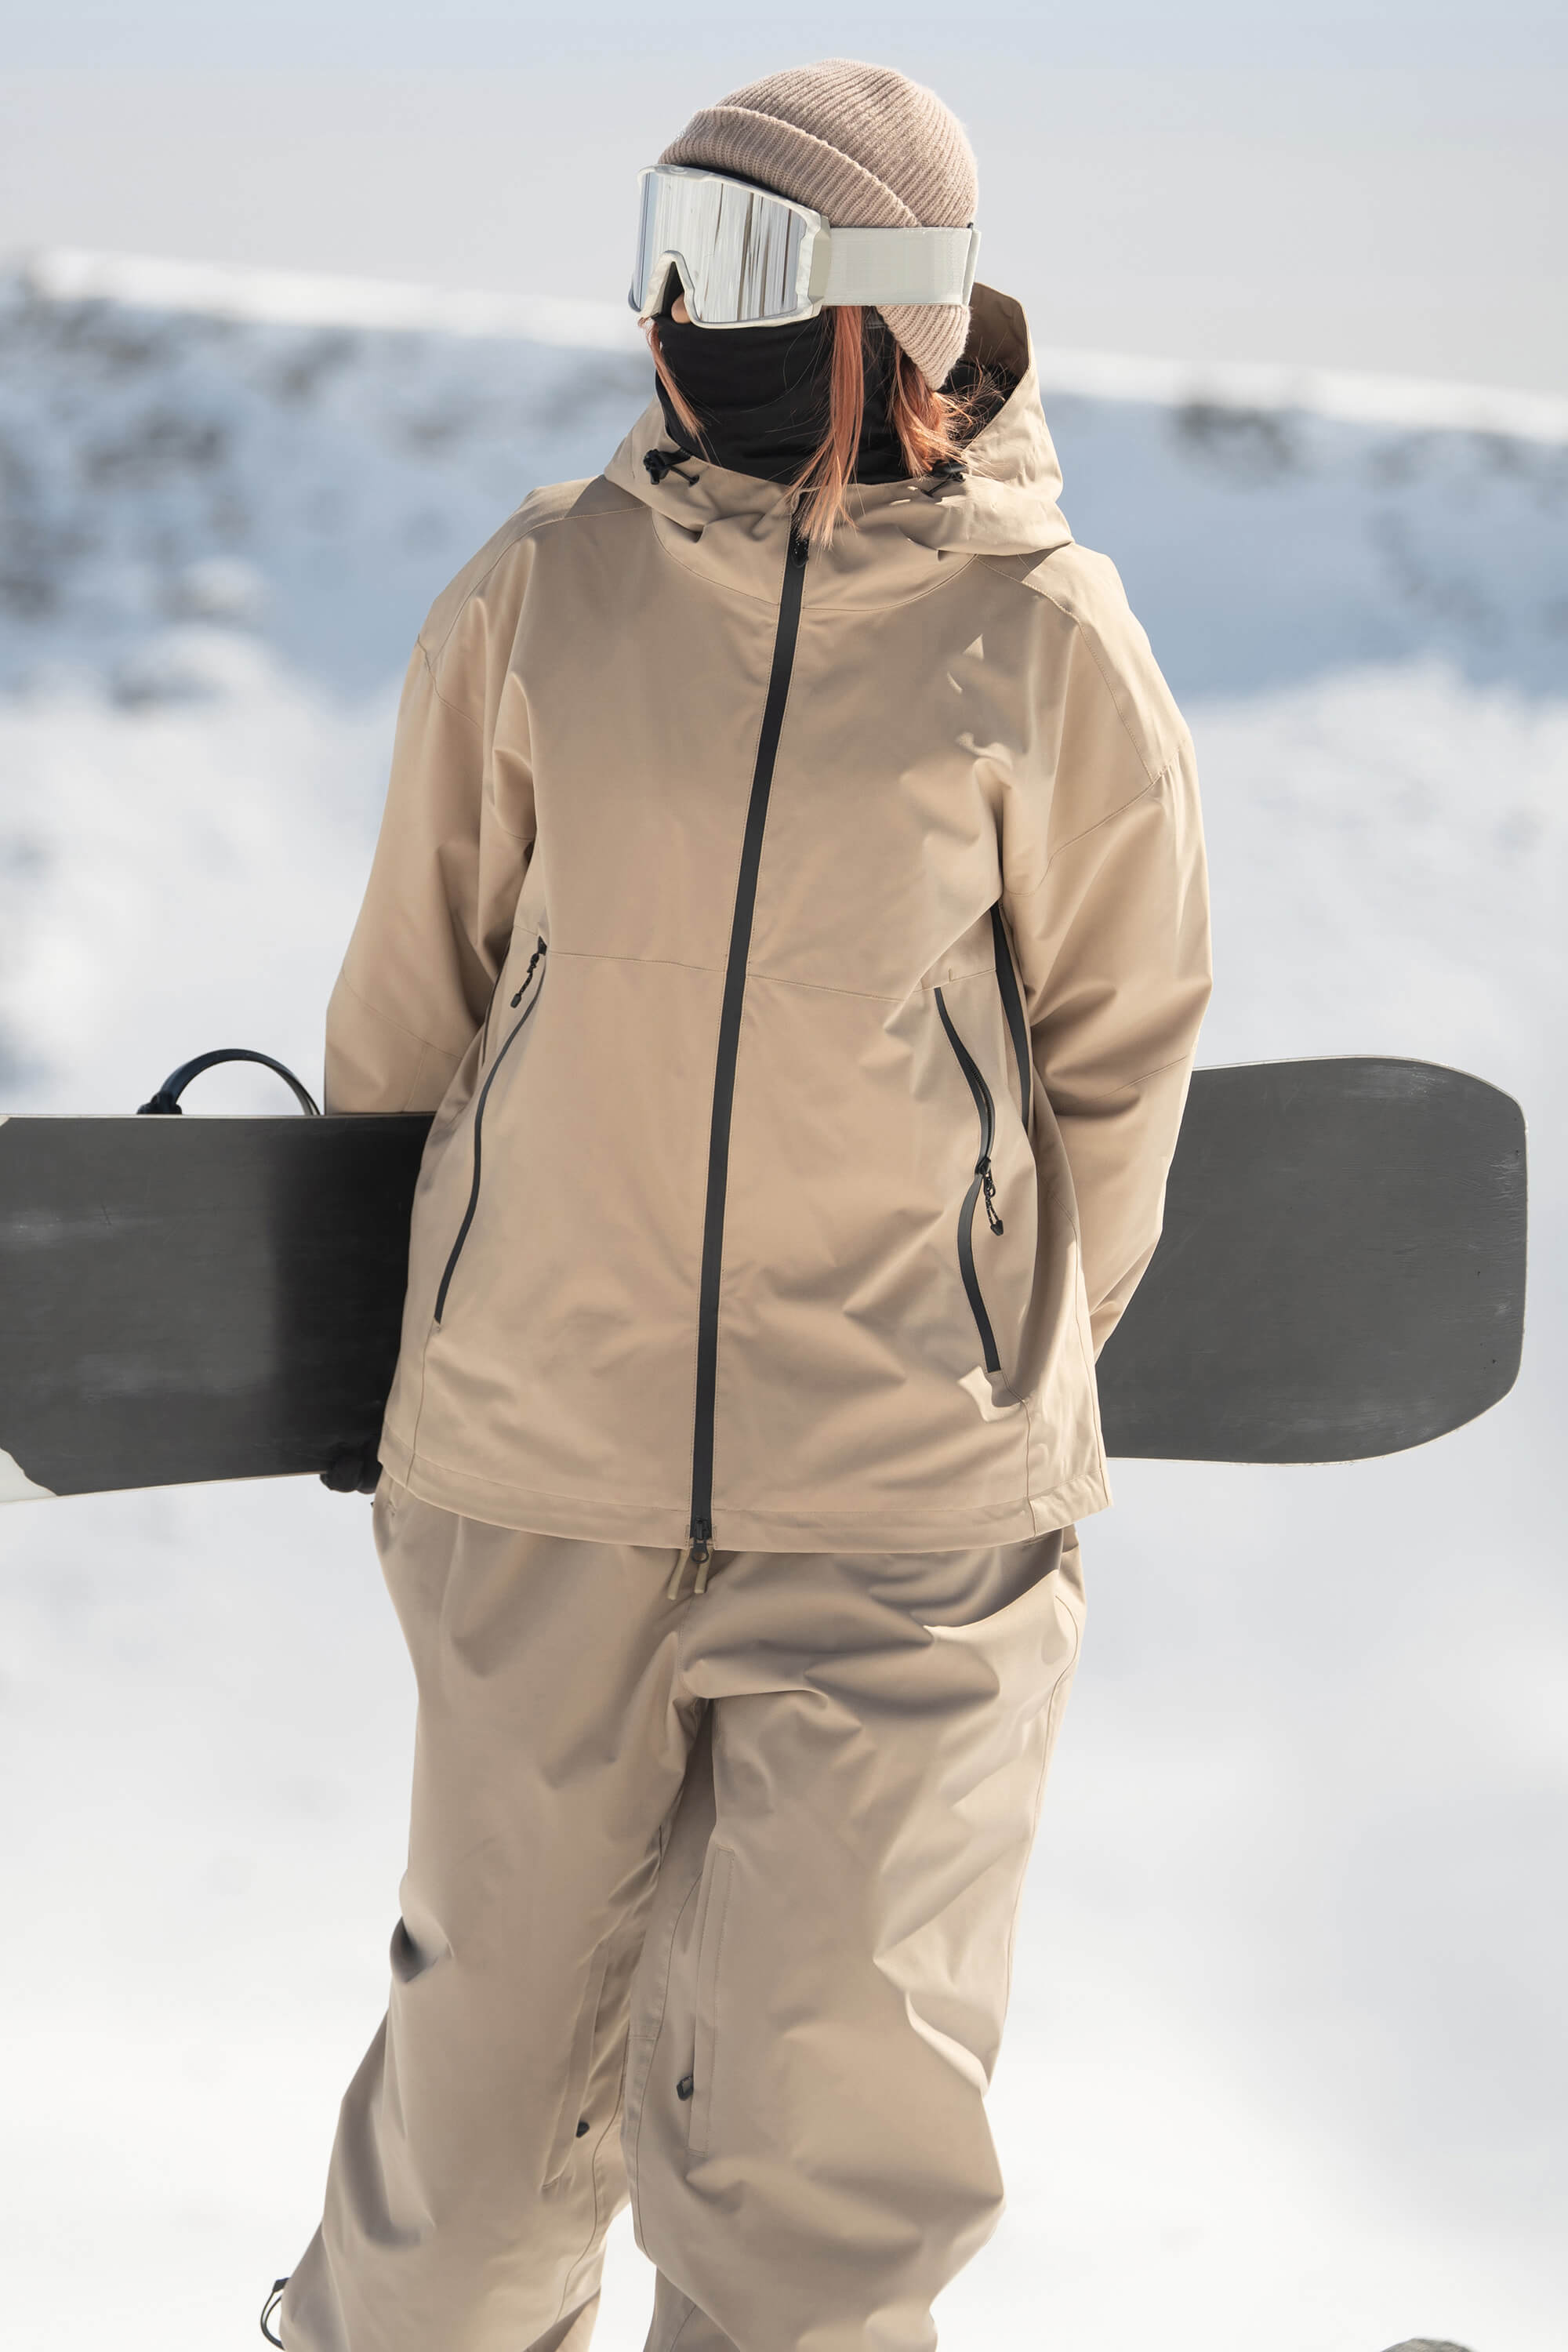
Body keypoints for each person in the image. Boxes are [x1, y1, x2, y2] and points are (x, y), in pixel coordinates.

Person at [268, 58, 1211, 2352]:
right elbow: (411, 1009)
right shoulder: (548, 591)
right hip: (539, 1470)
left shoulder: (1044, 635)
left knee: (815, 2185)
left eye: (749, 257)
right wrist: (413, 1347)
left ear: (897, 305)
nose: (687, 313)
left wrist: (990, 1362)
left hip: (903, 1515)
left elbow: (1117, 1056)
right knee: (461, 2197)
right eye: (668, 249)